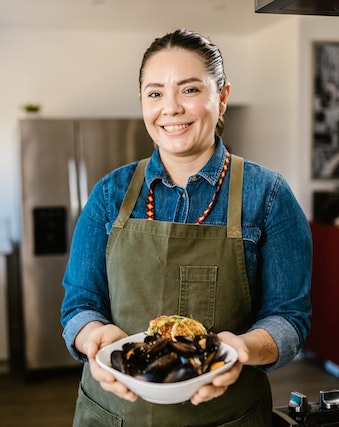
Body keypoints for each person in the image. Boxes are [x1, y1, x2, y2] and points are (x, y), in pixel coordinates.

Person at [61, 28, 312, 426]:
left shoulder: (269, 196)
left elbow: (289, 318)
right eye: (155, 93)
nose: (171, 108)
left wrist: (243, 349)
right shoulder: (110, 193)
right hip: (114, 414)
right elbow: (79, 304)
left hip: (227, 415)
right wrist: (95, 339)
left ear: (223, 96)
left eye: (190, 90)